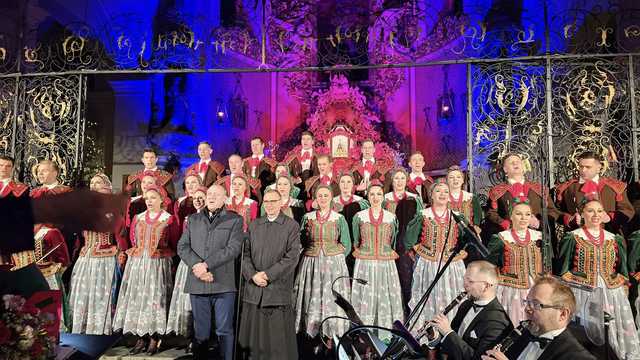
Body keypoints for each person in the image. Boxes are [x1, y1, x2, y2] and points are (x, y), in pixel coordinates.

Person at [559, 199, 640, 360]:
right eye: (590, 211)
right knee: (588, 332)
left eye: (599, 211)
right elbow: (563, 270)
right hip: (583, 292)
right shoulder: (572, 237)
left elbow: (622, 270)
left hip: (612, 292)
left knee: (613, 329)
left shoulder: (614, 239)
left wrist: (622, 286)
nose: (596, 215)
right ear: (582, 213)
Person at [177, 184, 244, 360]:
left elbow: (233, 248)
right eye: (209, 194)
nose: (212, 197)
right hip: (198, 283)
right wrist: (198, 266)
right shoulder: (193, 219)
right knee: (201, 333)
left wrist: (206, 265)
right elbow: (182, 247)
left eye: (216, 194)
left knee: (224, 330)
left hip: (223, 284)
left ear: (225, 198)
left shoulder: (234, 220)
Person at [112, 185, 180, 355]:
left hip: (158, 264)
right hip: (138, 264)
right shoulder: (138, 218)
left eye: (153, 198)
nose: (149, 201)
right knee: (138, 299)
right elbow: (132, 239)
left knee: (154, 299)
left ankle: (154, 337)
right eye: (147, 198)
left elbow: (174, 241)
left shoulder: (169, 218)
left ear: (161, 200)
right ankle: (140, 337)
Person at [238, 189, 301, 359]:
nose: (270, 205)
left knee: (276, 344)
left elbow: (292, 257)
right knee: (252, 342)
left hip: (276, 290)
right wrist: (253, 275)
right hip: (254, 290)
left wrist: (267, 275)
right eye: (267, 202)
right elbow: (245, 255)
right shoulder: (254, 225)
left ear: (281, 203)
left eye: (274, 201)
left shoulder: (291, 226)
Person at [405, 181, 467, 341]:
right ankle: (428, 340)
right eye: (438, 191)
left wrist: (460, 252)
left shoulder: (457, 216)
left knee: (452, 297)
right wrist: (419, 251)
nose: (442, 194)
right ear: (431, 195)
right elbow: (409, 238)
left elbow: (467, 238)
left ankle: (451, 338)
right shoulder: (423, 214)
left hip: (452, 265)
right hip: (428, 264)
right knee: (428, 298)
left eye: (446, 191)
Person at [482, 276, 596, 360]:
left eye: (536, 304)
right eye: (527, 302)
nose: (527, 309)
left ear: (562, 314)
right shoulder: (522, 334)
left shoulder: (577, 356)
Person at [69, 173, 128, 335]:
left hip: (105, 258)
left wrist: (122, 254)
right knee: (84, 292)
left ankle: (99, 328)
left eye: (98, 183)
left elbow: (120, 236)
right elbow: (79, 239)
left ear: (107, 188)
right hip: (85, 258)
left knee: (101, 294)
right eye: (92, 183)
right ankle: (83, 327)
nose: (94, 186)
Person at [294, 186, 351, 344]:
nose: (323, 198)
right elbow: (302, 240)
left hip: (333, 264)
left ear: (331, 198)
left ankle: (331, 335)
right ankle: (312, 333)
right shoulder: (308, 217)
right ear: (315, 199)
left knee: (330, 296)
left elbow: (346, 244)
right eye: (320, 196)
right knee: (313, 295)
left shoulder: (338, 218)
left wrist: (335, 260)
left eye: (326, 195)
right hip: (311, 262)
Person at [350, 182, 404, 339]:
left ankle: (385, 333)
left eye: (379, 194)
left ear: (383, 196)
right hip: (365, 263)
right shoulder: (359, 216)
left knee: (384, 295)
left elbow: (393, 239)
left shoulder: (391, 217)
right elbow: (356, 240)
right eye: (372, 194)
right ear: (367, 196)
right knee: (365, 295)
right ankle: (364, 334)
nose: (375, 197)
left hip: (385, 263)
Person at [432, 261, 512, 360]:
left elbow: (478, 358)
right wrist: (435, 338)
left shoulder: (498, 323)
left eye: (470, 281)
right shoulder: (466, 305)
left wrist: (448, 332)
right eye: (464, 280)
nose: (464, 285)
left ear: (486, 286)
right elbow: (451, 345)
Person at [487, 200, 548, 325]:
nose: (523, 218)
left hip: (536, 288)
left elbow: (546, 263)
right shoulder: (501, 238)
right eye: (519, 214)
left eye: (527, 214)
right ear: (511, 216)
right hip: (511, 289)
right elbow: (490, 265)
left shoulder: (539, 237)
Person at [0, 155, 49, 298]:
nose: (4, 169)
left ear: (13, 169)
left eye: (8, 166)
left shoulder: (21, 189)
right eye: (1, 165)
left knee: (27, 279)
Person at [484, 153, 560, 241]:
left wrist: (539, 223)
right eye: (511, 162)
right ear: (505, 169)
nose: (515, 164)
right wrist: (506, 224)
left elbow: (552, 211)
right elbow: (491, 213)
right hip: (510, 239)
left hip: (538, 240)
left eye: (518, 162)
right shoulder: (497, 191)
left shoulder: (539, 189)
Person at [555, 151, 634, 234]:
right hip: (578, 238)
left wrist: (610, 217)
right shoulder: (568, 188)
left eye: (588, 167)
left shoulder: (614, 187)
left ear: (598, 168)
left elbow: (628, 211)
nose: (583, 170)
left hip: (609, 236)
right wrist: (570, 219)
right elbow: (556, 212)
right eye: (581, 166)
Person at [166, 185, 207, 345]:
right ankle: (189, 335)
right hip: (188, 263)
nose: (197, 200)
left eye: (201, 197)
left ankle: (201, 336)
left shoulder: (211, 217)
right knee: (187, 300)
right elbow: (183, 241)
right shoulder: (188, 218)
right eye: (195, 197)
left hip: (202, 263)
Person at [383, 168, 423, 315]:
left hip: (407, 244)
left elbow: (420, 221)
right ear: (392, 181)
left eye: (402, 178)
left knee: (407, 278)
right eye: (396, 179)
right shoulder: (385, 198)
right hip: (389, 242)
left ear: (406, 181)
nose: (399, 182)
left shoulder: (414, 198)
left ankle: (409, 311)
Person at [446, 165, 482, 230]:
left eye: (458, 177)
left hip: (468, 233)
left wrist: (476, 226)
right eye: (451, 177)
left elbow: (478, 216)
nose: (455, 179)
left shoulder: (471, 197)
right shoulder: (443, 199)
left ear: (462, 180)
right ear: (447, 181)